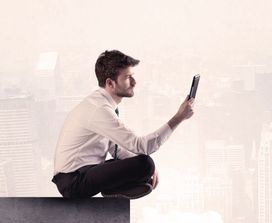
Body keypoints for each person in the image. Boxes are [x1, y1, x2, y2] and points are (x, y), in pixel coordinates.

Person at [52, 50, 194, 199]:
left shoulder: (104, 104)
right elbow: (142, 146)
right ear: (110, 83)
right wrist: (179, 117)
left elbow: (117, 149)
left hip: (83, 173)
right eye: (127, 77)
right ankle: (114, 188)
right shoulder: (99, 109)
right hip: (73, 181)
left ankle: (113, 189)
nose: (134, 82)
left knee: (142, 166)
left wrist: (143, 168)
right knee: (145, 163)